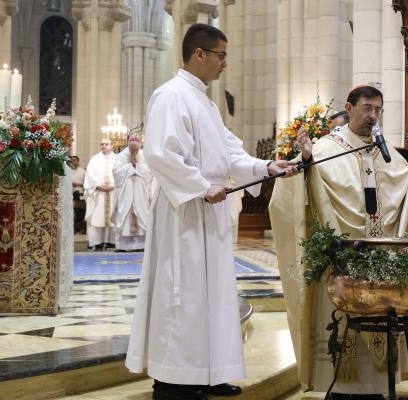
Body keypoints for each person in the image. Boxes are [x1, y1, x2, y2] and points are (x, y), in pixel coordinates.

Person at [124, 24, 299, 400]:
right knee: (183, 294)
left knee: (213, 295)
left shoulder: (205, 102)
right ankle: (173, 381)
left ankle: (208, 370)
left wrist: (267, 167)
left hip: (212, 212)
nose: (225, 64)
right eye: (221, 56)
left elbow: (229, 151)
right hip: (185, 213)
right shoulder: (170, 96)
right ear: (199, 54)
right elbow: (160, 153)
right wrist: (202, 187)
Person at [269, 85, 408, 399]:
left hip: (380, 258)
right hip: (343, 259)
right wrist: (306, 160)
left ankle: (376, 388)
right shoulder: (327, 147)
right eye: (367, 108)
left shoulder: (385, 150)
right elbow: (302, 188)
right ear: (349, 107)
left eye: (378, 109)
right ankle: (342, 388)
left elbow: (406, 183)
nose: (373, 115)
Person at [112, 136, 152, 252]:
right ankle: (123, 246)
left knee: (141, 212)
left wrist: (137, 166)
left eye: (136, 150)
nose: (134, 152)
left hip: (140, 190)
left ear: (140, 146)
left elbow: (149, 171)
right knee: (125, 214)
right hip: (126, 191)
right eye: (132, 150)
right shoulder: (120, 156)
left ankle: (141, 245)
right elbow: (116, 171)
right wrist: (130, 166)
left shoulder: (145, 155)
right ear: (128, 146)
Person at [83, 137, 117, 251]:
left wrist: (114, 185)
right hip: (98, 193)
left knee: (114, 217)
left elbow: (122, 173)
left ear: (112, 146)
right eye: (102, 144)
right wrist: (97, 185)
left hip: (113, 192)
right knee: (96, 217)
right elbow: (89, 174)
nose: (104, 146)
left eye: (106, 144)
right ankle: (97, 242)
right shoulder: (94, 159)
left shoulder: (118, 159)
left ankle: (111, 241)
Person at [70, 155, 87, 234]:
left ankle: (79, 229)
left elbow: (87, 184)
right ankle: (72, 229)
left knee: (80, 212)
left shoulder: (82, 171)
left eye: (75, 160)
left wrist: (78, 184)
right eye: (72, 160)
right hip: (69, 193)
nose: (73, 162)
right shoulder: (68, 171)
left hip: (79, 194)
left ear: (78, 161)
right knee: (70, 213)